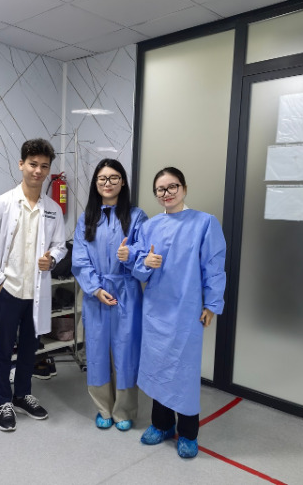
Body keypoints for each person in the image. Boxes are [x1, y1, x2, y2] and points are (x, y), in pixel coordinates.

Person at [132, 166, 226, 458]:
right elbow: (138, 270)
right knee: (158, 366)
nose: (167, 193)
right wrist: (145, 263)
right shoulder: (149, 227)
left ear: (184, 188)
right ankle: (161, 425)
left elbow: (214, 266)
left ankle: (187, 432)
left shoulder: (204, 223)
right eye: (161, 189)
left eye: (172, 186)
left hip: (186, 310)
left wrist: (212, 304)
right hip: (156, 310)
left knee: (184, 371)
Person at [0, 139, 67, 432]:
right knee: (4, 348)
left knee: (30, 347)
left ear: (48, 170)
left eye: (44, 166)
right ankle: (3, 400)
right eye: (32, 164)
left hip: (36, 291)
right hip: (9, 290)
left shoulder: (53, 209)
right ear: (21, 164)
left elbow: (60, 245)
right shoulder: (1, 204)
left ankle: (22, 394)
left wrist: (52, 258)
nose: (38, 171)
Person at [72, 159, 147, 431]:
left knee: (126, 350)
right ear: (96, 183)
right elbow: (80, 259)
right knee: (97, 349)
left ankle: (124, 410)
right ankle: (103, 407)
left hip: (127, 291)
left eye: (114, 178)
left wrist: (131, 255)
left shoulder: (137, 217)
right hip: (97, 294)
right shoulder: (86, 219)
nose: (108, 183)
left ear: (123, 182)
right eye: (102, 178)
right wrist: (95, 289)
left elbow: (145, 255)